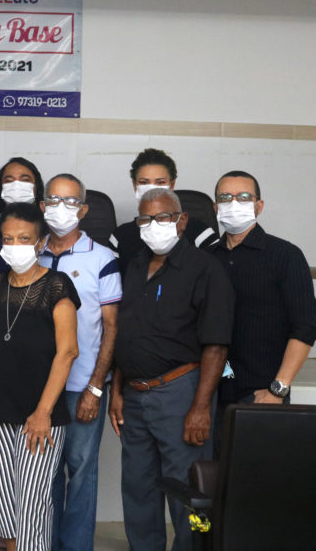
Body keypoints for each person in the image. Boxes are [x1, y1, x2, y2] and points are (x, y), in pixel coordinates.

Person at [109, 188, 233, 551]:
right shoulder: (135, 266)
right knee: (138, 486)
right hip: (135, 395)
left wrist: (200, 407)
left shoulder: (205, 269)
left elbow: (217, 345)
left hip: (181, 394)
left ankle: (196, 547)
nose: (154, 225)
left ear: (181, 221)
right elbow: (125, 334)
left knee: (191, 491)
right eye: (145, 219)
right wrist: (117, 391)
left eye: (163, 217)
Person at [0, 202, 79, 551]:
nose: (14, 245)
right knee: (7, 507)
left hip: (39, 414)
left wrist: (43, 412)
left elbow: (68, 352)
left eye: (24, 238)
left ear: (41, 242)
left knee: (33, 506)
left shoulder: (57, 285)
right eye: (8, 238)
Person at [37, 174, 121, 551]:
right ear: (42, 206)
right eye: (54, 200)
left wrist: (95, 387)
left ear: (83, 210)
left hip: (82, 385)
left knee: (82, 471)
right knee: (44, 473)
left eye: (70, 201)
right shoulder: (30, 252)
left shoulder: (102, 259)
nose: (61, 208)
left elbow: (111, 327)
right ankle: (46, 543)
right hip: (38, 388)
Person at [209, 172, 315, 421]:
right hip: (212, 391)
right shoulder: (207, 258)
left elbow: (305, 327)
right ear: (215, 207)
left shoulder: (285, 255)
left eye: (244, 197)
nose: (234, 203)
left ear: (259, 206)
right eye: (225, 197)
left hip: (263, 393)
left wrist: (278, 389)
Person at [109, 148, 219, 276]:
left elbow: (216, 276)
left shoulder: (200, 232)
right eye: (144, 182)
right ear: (135, 185)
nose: (152, 188)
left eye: (160, 182)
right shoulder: (120, 237)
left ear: (171, 185)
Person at [0, 157, 45, 278]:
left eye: (25, 180)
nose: (16, 186)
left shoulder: (49, 227)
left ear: (36, 187)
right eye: (9, 181)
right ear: (1, 189)